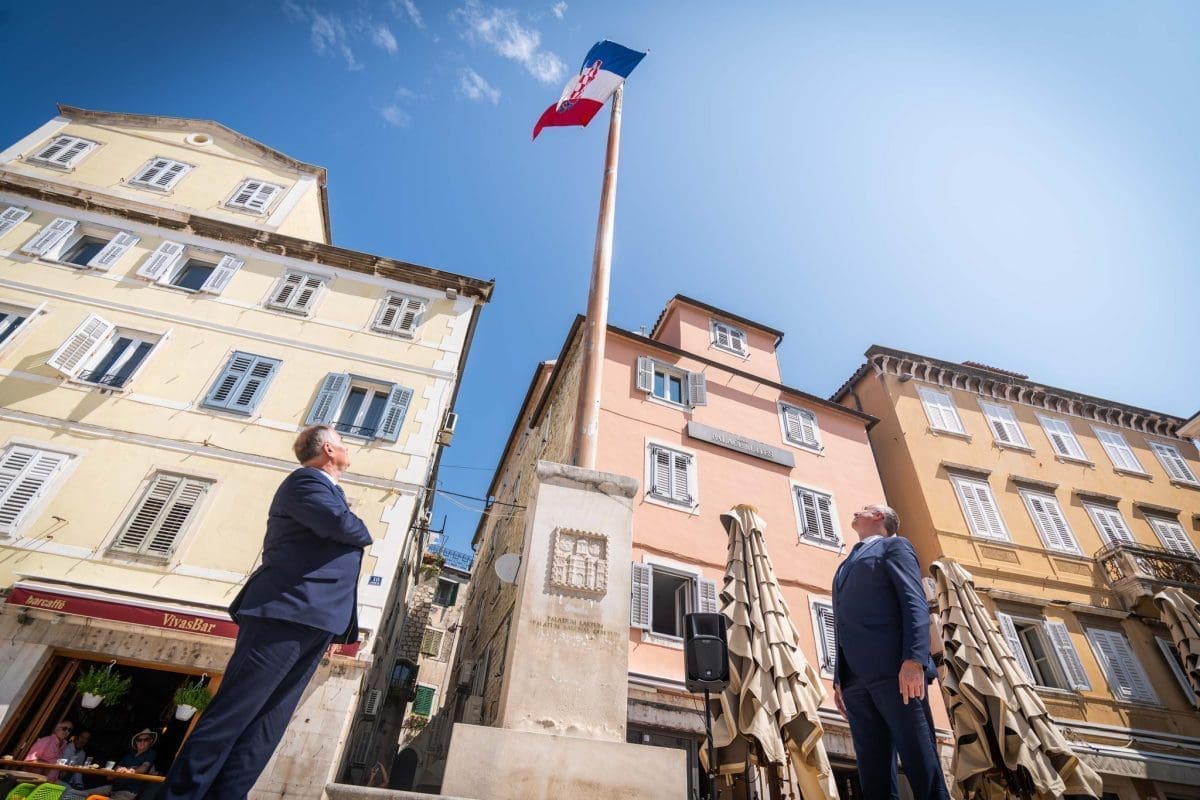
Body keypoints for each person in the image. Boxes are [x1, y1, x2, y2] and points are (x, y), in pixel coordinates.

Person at [162, 425, 373, 800]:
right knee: (233, 715)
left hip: (316, 618)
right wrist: (359, 527)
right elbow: (345, 527)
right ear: (327, 449)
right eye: (342, 442)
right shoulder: (305, 483)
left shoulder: (327, 490)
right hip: (285, 610)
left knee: (266, 726)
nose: (346, 448)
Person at [831, 504, 949, 800]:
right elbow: (842, 623)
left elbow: (914, 602)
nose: (855, 511)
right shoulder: (845, 564)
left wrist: (914, 660)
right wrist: (839, 678)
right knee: (872, 772)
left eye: (864, 508)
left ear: (879, 518)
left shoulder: (894, 546)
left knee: (920, 760)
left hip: (896, 671)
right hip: (855, 680)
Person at [79, 729, 158, 800]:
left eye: (146, 739)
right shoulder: (128, 756)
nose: (142, 742)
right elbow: (110, 777)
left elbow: (144, 768)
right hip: (113, 788)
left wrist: (129, 770)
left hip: (128, 792)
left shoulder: (150, 753)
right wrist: (112, 772)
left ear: (150, 741)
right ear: (136, 742)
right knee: (80, 794)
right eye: (139, 740)